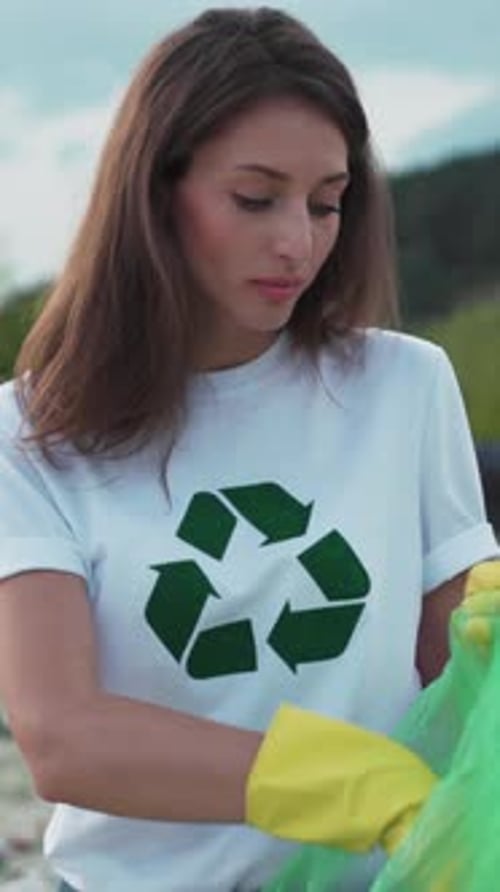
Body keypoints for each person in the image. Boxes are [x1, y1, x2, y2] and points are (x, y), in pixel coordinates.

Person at [0, 7, 498, 892]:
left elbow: (454, 687)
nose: (297, 243)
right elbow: (63, 738)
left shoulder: (404, 388)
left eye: (327, 203)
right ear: (156, 191)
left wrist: (482, 668)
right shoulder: (31, 434)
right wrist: (341, 781)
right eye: (255, 198)